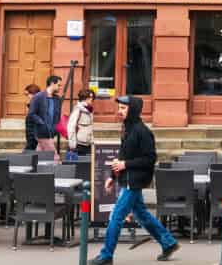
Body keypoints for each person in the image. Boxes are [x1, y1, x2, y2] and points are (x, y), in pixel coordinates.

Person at [92, 95, 178, 264]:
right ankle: (168, 242)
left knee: (116, 216)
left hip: (135, 180)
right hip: (128, 178)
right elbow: (123, 156)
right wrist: (112, 176)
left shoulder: (142, 131)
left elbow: (150, 158)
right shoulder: (127, 127)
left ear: (133, 110)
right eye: (120, 108)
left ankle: (106, 255)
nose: (120, 111)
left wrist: (125, 165)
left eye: (124, 108)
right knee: (142, 214)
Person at [66, 90, 97, 160]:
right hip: (79, 144)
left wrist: (92, 140)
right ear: (84, 98)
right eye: (89, 97)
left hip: (88, 143)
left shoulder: (89, 110)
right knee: (78, 166)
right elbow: (71, 127)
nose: (92, 99)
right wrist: (72, 144)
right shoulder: (78, 109)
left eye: (93, 97)